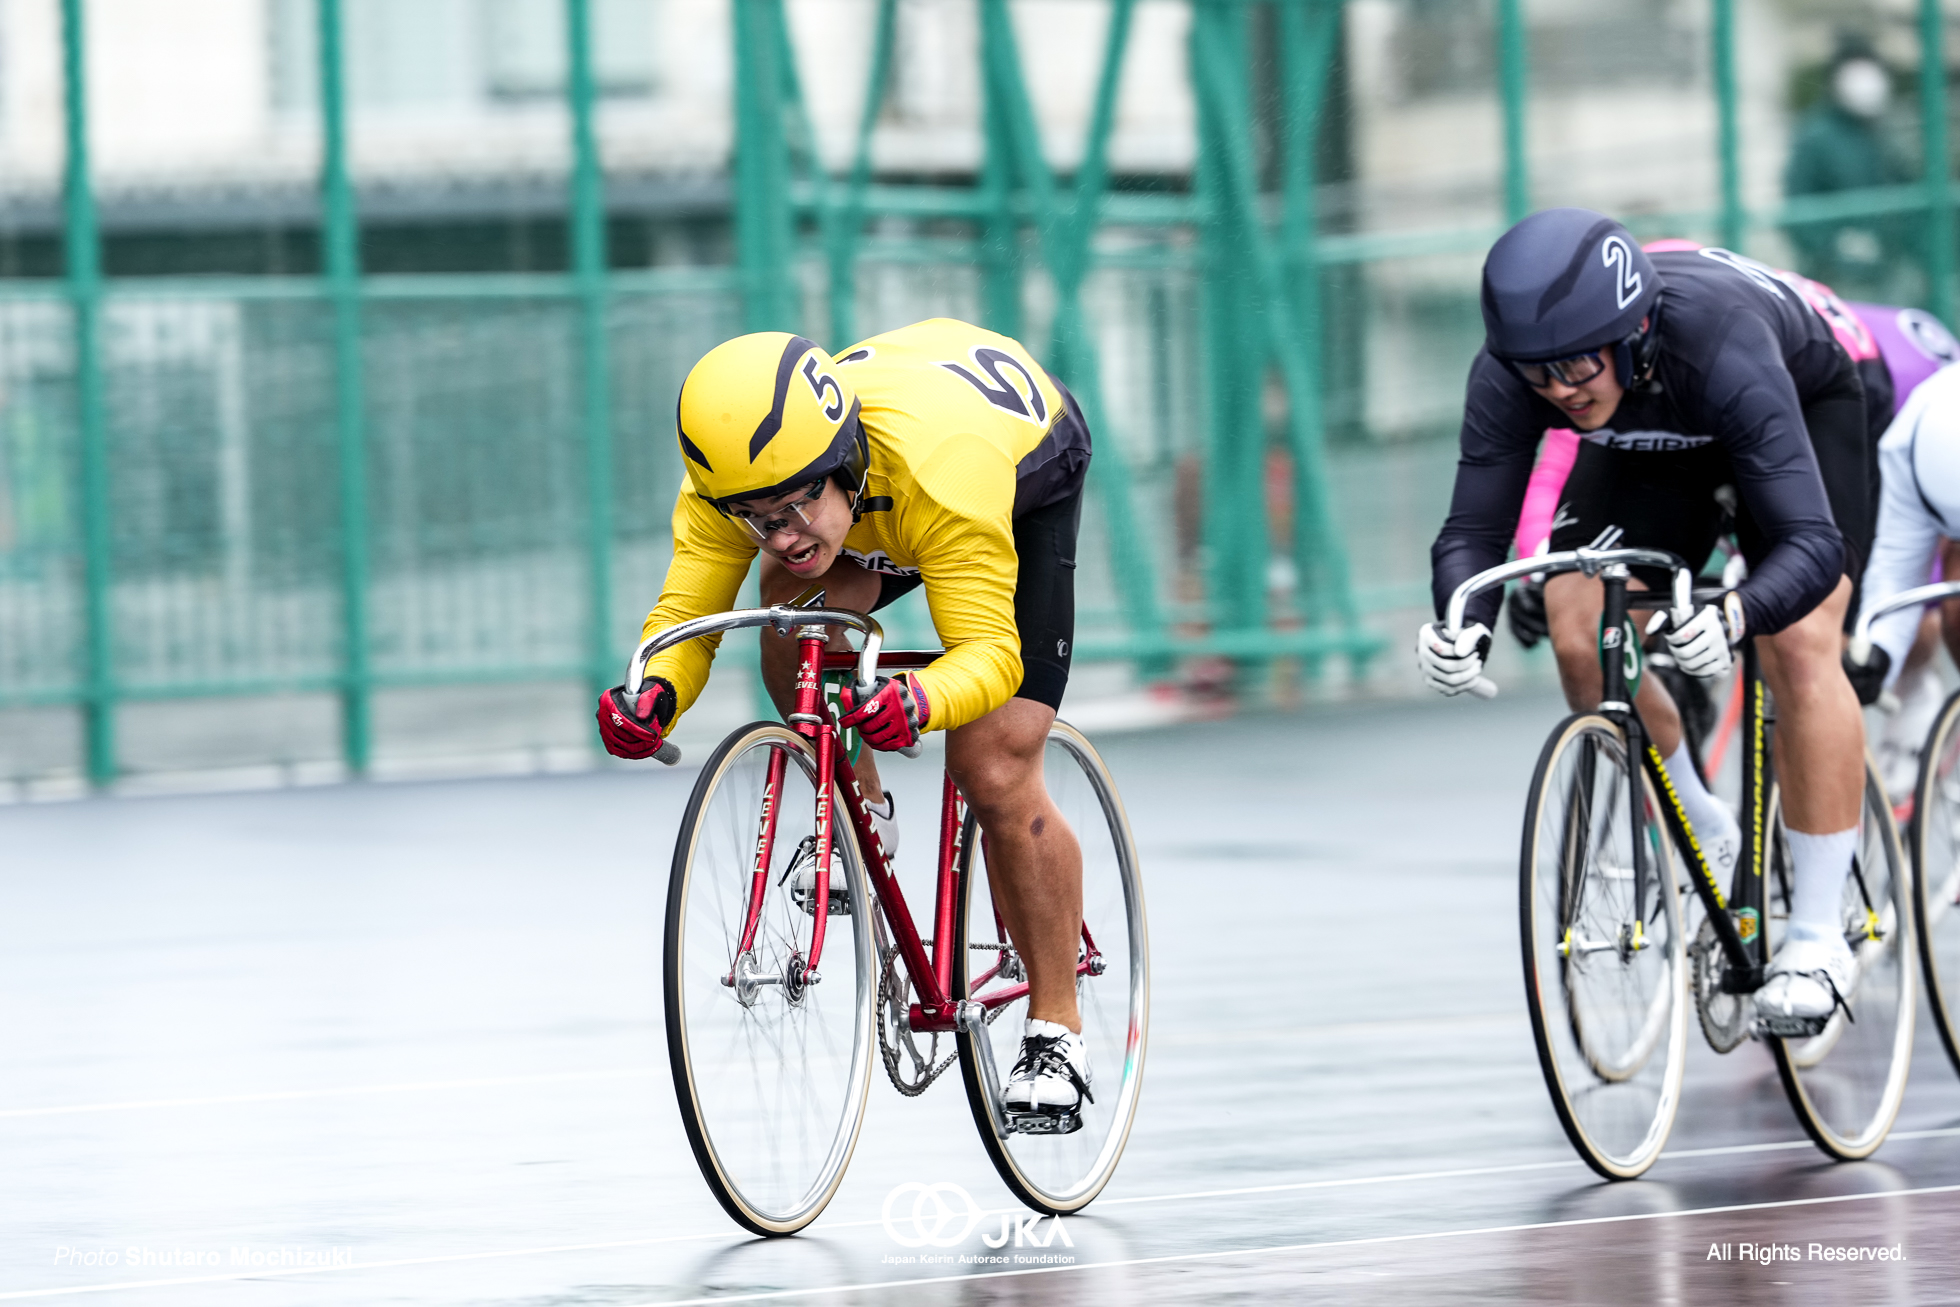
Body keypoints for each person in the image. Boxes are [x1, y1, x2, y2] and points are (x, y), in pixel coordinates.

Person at [596, 319, 1096, 1125]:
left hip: (1009, 465)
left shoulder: (944, 472)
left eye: (798, 506)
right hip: (880, 503)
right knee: (788, 632)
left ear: (841, 460)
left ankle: (1056, 1030)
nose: (785, 536)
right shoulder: (731, 487)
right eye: (759, 519)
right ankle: (867, 811)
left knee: (992, 760)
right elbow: (688, 613)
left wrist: (924, 700)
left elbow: (991, 655)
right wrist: (654, 694)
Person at [1420, 208, 1873, 1035]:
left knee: (1800, 642)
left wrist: (1738, 609)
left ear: (1630, 332)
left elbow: (1812, 542)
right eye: (1536, 373)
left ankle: (1815, 939)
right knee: (1574, 612)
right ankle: (1705, 828)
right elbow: (1472, 533)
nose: (1559, 388)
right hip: (1658, 443)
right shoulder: (1516, 373)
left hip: (1801, 408)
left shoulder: (1720, 343)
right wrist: (1462, 620)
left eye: (1575, 363)